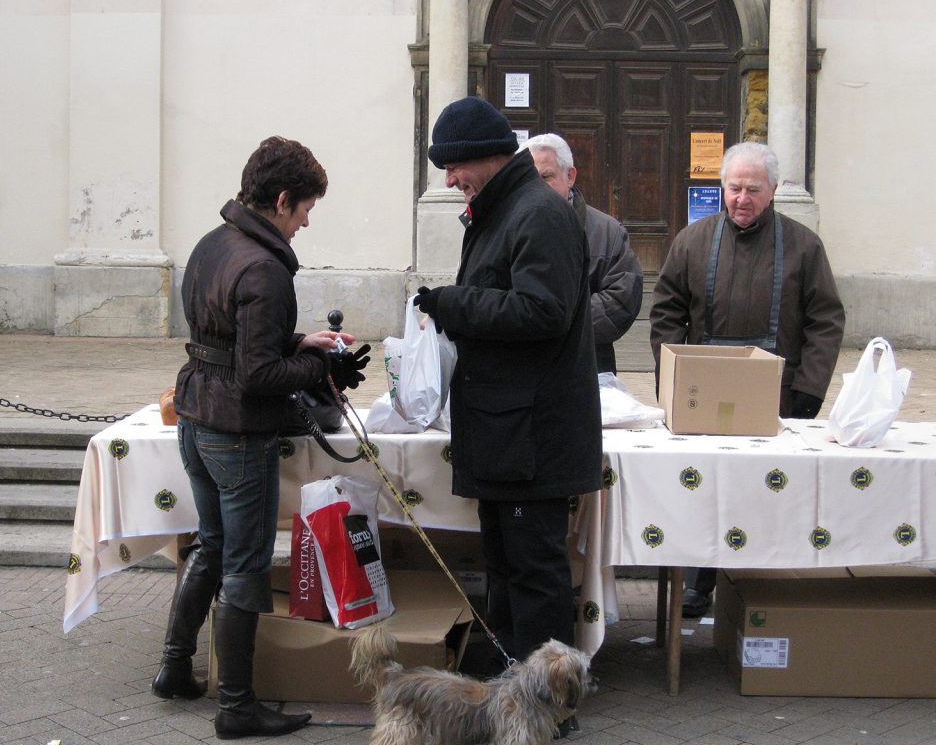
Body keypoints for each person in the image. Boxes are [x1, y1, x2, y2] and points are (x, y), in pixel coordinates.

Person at [150, 136, 370, 739]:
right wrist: (322, 369)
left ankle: (173, 668)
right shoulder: (265, 266)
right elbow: (257, 373)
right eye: (303, 210)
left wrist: (301, 343)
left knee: (212, 546)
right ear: (280, 200)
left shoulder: (213, 243)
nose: (303, 223)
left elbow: (229, 338)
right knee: (244, 564)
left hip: (196, 417)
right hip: (236, 429)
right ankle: (237, 707)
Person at [413, 97, 603, 676]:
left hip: (532, 438)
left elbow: (541, 312)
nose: (449, 181)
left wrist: (453, 304)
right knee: (506, 566)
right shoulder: (504, 209)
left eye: (454, 167)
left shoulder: (536, 214)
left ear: (485, 157)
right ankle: (512, 692)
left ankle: (547, 704)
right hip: (507, 433)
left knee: (534, 572)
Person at [649, 141, 845, 618]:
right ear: (722, 187)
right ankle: (697, 582)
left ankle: (759, 585)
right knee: (702, 488)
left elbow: (825, 319)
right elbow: (667, 313)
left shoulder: (804, 245)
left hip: (778, 396)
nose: (741, 198)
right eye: (734, 188)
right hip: (704, 396)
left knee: (764, 491)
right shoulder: (691, 241)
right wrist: (674, 381)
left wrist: (809, 389)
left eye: (753, 189)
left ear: (773, 190)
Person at [521, 133, 644, 373]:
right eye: (528, 179)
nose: (536, 188)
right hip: (523, 373)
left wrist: (556, 321)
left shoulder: (608, 233)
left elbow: (622, 301)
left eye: (546, 177)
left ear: (570, 176)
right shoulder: (505, 229)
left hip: (588, 371)